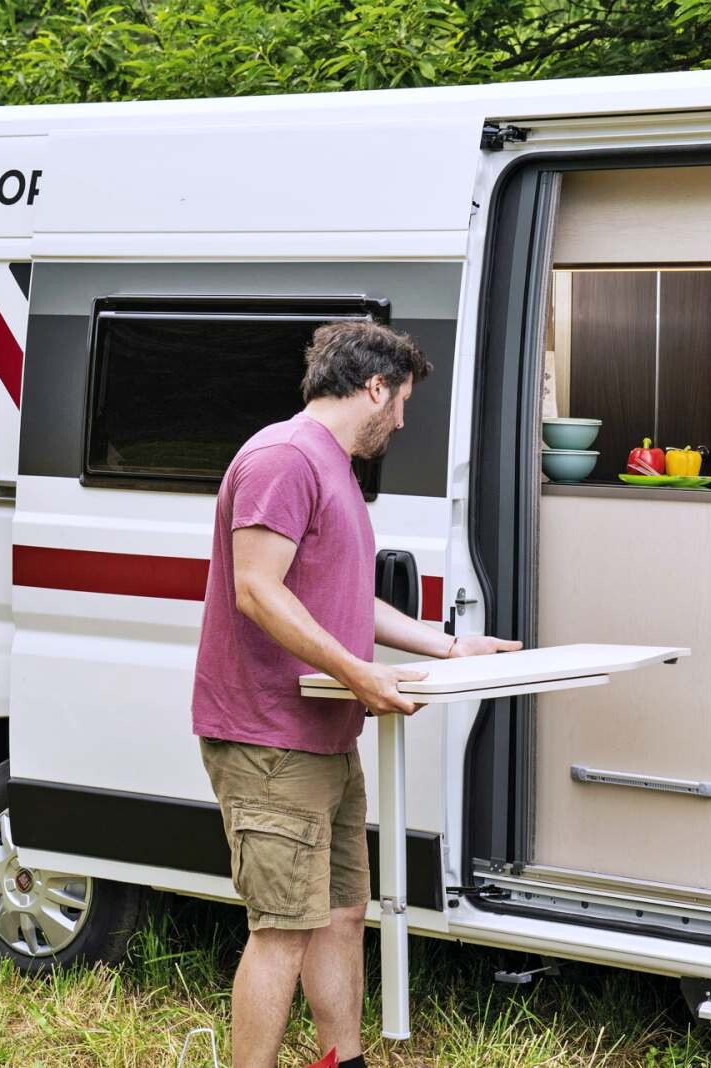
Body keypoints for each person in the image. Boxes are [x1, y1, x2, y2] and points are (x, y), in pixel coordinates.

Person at [191, 321, 520, 1068]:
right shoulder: (283, 457)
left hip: (325, 736)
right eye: (402, 400)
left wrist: (446, 644)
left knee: (340, 915)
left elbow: (348, 596)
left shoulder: (331, 466)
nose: (403, 419)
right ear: (374, 386)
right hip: (270, 739)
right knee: (282, 930)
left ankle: (343, 1062)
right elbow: (256, 589)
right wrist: (358, 673)